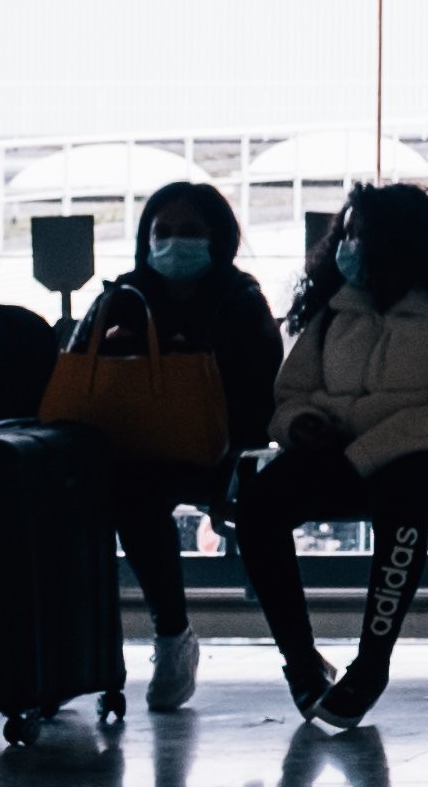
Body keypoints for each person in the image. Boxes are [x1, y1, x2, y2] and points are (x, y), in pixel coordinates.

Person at [223, 181, 428, 727]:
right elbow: (291, 394)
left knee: (404, 495)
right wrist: (301, 425)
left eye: (363, 235)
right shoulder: (334, 308)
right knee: (260, 503)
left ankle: (371, 664)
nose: (349, 245)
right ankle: (301, 661)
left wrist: (380, 444)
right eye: (348, 232)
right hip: (342, 451)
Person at [73, 180, 286, 713]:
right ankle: (171, 633)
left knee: (229, 495)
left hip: (224, 450)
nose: (173, 242)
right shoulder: (124, 297)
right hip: (142, 448)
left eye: (190, 231)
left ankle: (296, 658)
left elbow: (264, 393)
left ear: (219, 238)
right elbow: (80, 365)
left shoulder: (242, 301)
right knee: (131, 496)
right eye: (162, 232)